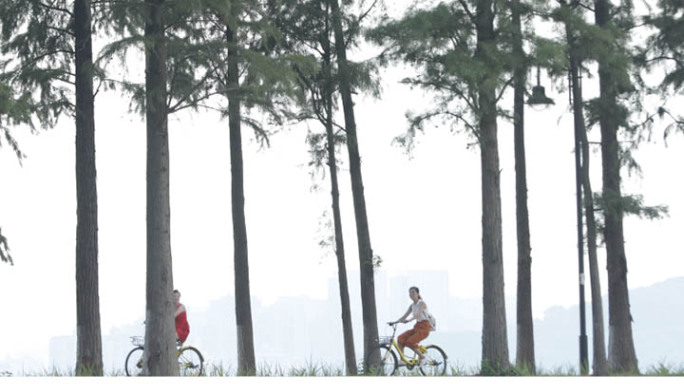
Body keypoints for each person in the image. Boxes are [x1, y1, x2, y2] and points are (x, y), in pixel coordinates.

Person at [393, 286, 431, 366]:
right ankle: (402, 360)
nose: (411, 294)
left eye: (413, 292)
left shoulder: (422, 303)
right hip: (417, 327)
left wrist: (409, 320)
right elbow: (404, 316)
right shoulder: (412, 305)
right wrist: (395, 322)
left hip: (424, 328)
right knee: (400, 338)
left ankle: (423, 357)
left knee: (410, 342)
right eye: (410, 293)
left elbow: (417, 315)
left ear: (418, 293)